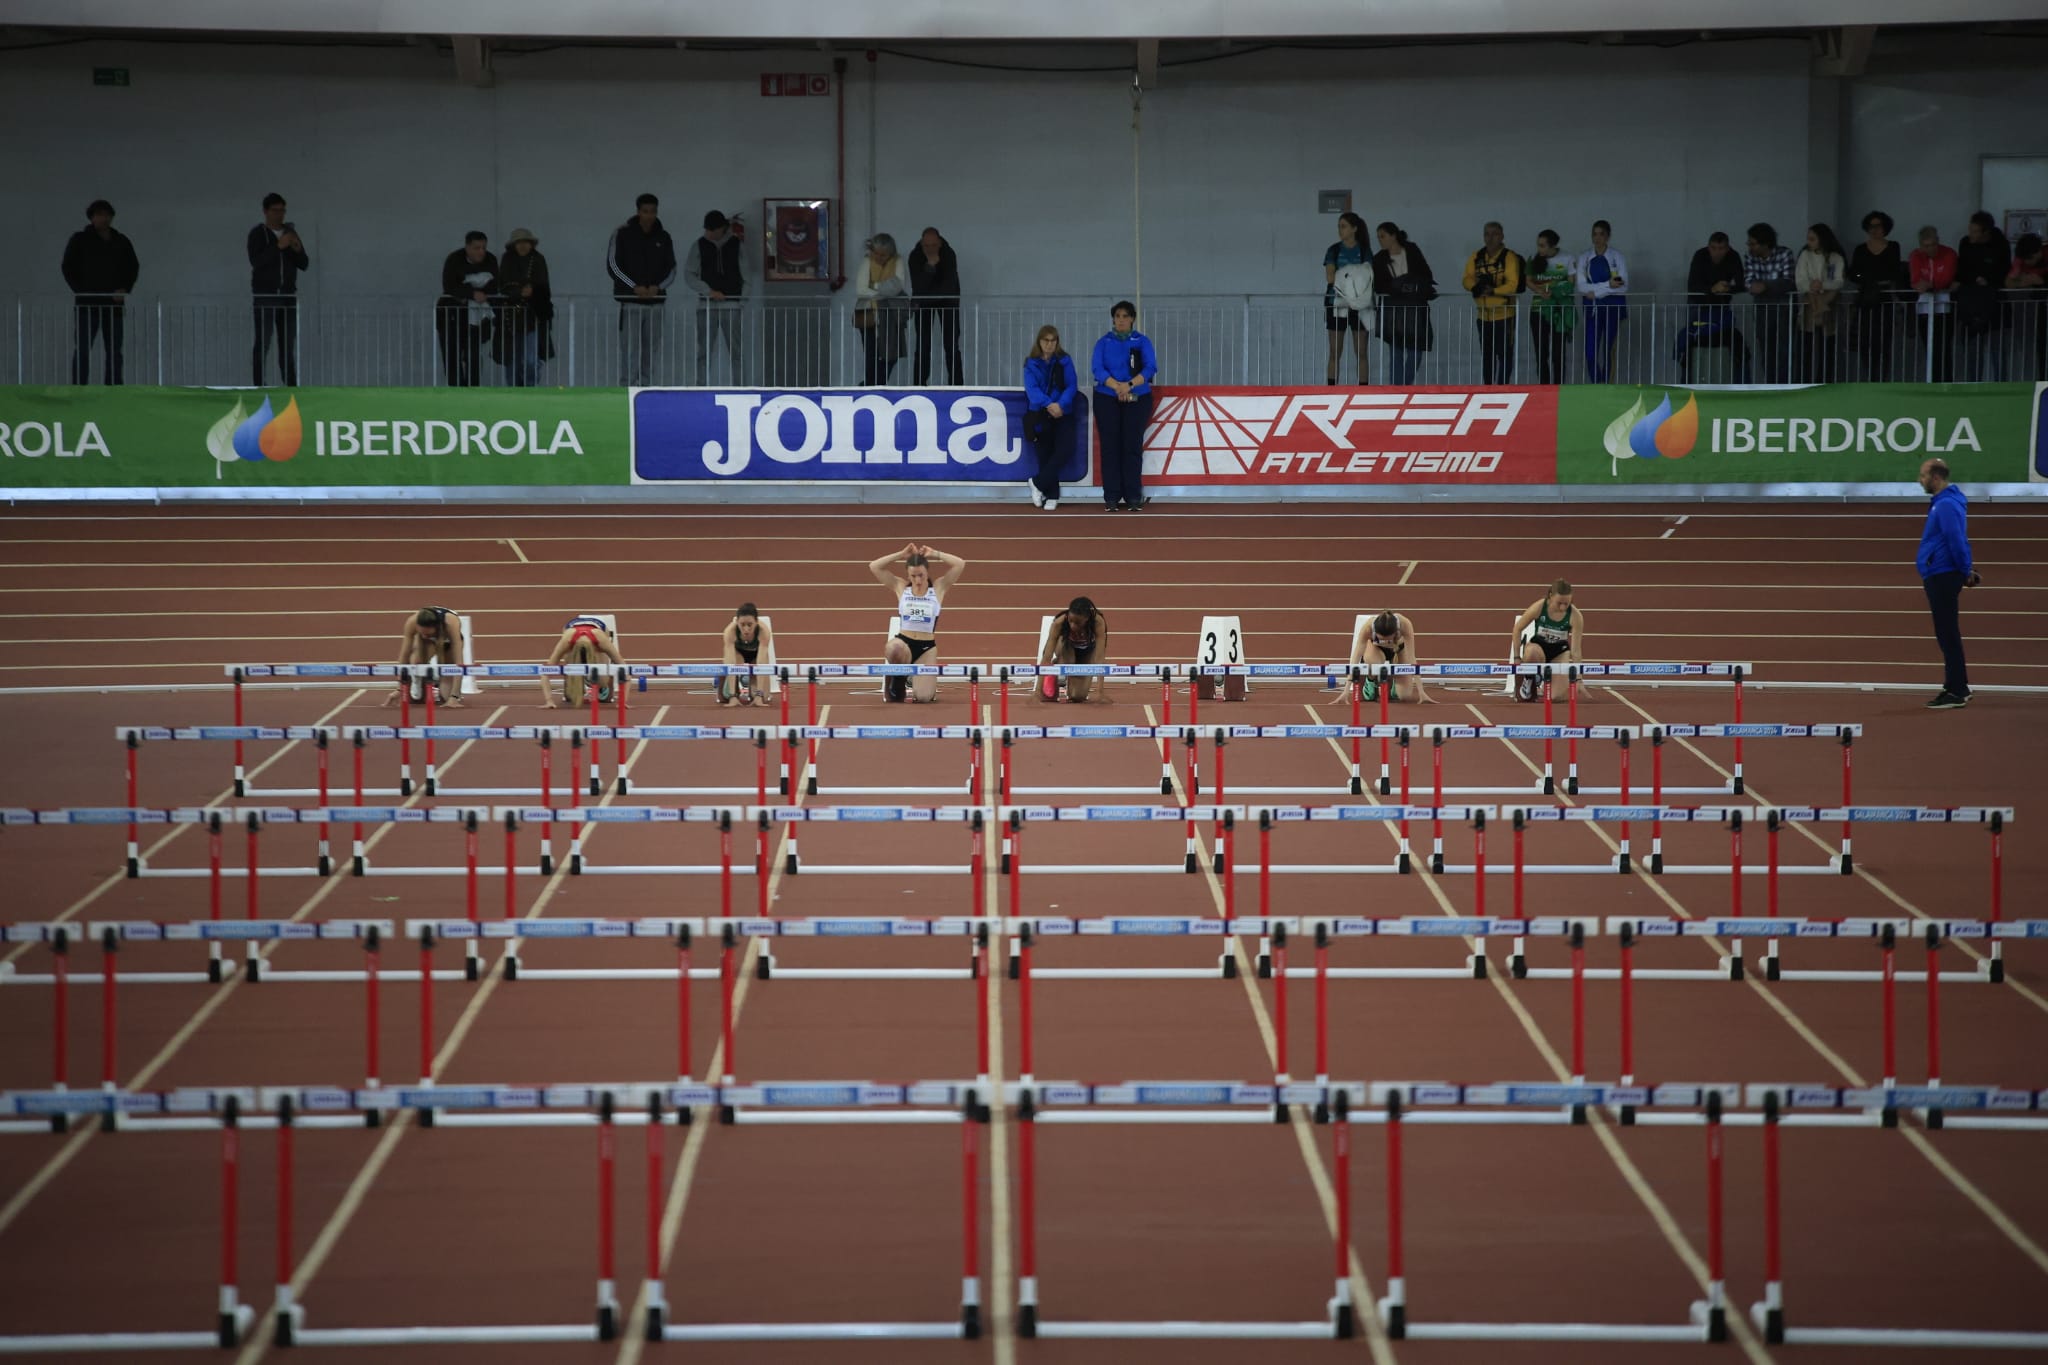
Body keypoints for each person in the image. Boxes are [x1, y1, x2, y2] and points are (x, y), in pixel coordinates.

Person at [869, 543, 967, 703]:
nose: (918, 580)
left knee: (923, 697)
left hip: (926, 648)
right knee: (894, 648)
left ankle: (910, 676)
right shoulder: (901, 586)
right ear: (908, 575)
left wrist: (934, 553)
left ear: (927, 572)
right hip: (904, 644)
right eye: (913, 576)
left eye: (921, 575)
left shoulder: (938, 588)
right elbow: (874, 566)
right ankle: (898, 678)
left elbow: (960, 564)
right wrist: (900, 554)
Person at [1917, 458, 1979, 710]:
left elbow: (1957, 540)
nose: (1919, 480)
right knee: (1947, 634)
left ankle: (1957, 690)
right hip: (1940, 572)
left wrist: (1966, 570)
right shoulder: (1943, 504)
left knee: (1948, 634)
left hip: (1943, 574)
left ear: (1936, 478)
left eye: (1923, 475)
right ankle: (1955, 684)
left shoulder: (1945, 506)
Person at [1089, 301, 1159, 512]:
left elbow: (1150, 367)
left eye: (1125, 316)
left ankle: (1133, 495)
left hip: (1137, 397)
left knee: (1132, 446)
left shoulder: (1142, 341)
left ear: (1132, 319)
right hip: (1106, 397)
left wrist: (1128, 385)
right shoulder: (1103, 342)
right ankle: (1111, 496)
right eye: (1117, 316)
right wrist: (1116, 387)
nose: (1121, 320)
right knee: (1110, 447)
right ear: (1113, 318)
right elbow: (1097, 368)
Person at [61, 199, 139, 386]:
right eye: (99, 215)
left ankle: (113, 387)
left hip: (114, 305)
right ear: (92, 218)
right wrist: (82, 291)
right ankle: (79, 387)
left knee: (114, 349)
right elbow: (68, 267)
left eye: (107, 215)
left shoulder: (121, 241)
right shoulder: (80, 240)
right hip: (87, 305)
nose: (104, 219)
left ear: (111, 217)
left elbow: (132, 267)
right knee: (83, 349)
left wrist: (125, 289)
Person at [609, 193, 677, 387]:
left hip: (655, 305)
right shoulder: (622, 234)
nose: (649, 216)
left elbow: (671, 269)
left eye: (653, 212)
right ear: (638, 212)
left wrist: (658, 288)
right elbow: (613, 265)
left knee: (651, 349)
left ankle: (646, 388)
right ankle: (627, 388)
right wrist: (633, 287)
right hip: (630, 303)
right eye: (645, 212)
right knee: (629, 349)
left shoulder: (664, 237)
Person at [249, 193, 309, 386]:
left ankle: (291, 386)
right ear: (266, 211)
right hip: (265, 295)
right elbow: (257, 262)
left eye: (282, 210)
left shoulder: (290, 233)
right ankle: (259, 385)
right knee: (263, 343)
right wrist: (278, 246)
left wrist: (296, 248)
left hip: (288, 296)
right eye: (275, 211)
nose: (279, 215)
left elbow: (304, 263)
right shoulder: (258, 234)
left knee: (287, 345)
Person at [685, 210, 749, 385]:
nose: (709, 234)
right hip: (706, 304)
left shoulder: (737, 245)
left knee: (736, 351)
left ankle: (740, 388)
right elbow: (689, 275)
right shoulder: (699, 245)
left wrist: (741, 301)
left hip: (732, 305)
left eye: (713, 230)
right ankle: (701, 387)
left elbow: (746, 276)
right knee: (703, 351)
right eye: (707, 230)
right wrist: (708, 291)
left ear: (722, 228)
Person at [1846, 210, 1909, 380]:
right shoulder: (1860, 249)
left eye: (1878, 226)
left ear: (1885, 228)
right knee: (1865, 342)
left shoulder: (1893, 246)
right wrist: (1869, 279)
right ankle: (1869, 376)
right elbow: (1853, 273)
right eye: (1871, 227)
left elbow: (1893, 271)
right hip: (1865, 300)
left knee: (1884, 343)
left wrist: (1870, 277)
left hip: (1884, 300)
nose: (1874, 230)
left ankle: (1882, 377)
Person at [1023, 324, 1080, 510]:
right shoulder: (1030, 363)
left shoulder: (1065, 360)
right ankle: (1052, 494)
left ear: (1057, 342)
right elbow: (1032, 390)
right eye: (1046, 340)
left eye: (1053, 341)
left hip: (1064, 412)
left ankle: (1037, 483)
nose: (1049, 344)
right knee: (1045, 453)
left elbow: (1072, 385)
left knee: (1065, 449)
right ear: (1039, 341)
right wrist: (1049, 404)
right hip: (1041, 413)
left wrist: (1060, 405)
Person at [1371, 222, 1435, 385]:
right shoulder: (1379, 259)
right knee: (1396, 350)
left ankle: (1404, 385)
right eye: (1378, 237)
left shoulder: (1411, 250)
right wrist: (1396, 286)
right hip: (1393, 307)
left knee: (1416, 350)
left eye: (1383, 236)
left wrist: (1411, 284)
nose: (1380, 240)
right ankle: (1397, 388)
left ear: (1393, 236)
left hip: (1414, 305)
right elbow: (1378, 285)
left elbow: (1426, 274)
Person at [1462, 221, 1523, 384]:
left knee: (1504, 354)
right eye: (1487, 234)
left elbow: (1513, 284)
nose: (1490, 238)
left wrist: (1493, 291)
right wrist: (1475, 287)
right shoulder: (1477, 256)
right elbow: (1466, 278)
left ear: (1502, 236)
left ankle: (1503, 388)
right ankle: (1488, 388)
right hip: (1483, 315)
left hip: (1505, 314)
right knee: (1487, 355)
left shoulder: (1509, 257)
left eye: (1494, 234)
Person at [436, 231, 497, 388]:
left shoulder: (491, 259)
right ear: (467, 247)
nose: (481, 251)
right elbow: (449, 286)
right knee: (452, 355)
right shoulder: (454, 260)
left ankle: (473, 392)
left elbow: (495, 284)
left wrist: (477, 292)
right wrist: (472, 293)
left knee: (473, 355)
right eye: (477, 248)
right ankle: (456, 392)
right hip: (452, 315)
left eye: (483, 247)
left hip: (476, 317)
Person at [1956, 211, 2011, 382]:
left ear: (1985, 232)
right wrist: (1974, 279)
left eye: (1975, 231)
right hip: (1972, 304)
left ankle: (2002, 387)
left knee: (1997, 349)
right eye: (1970, 230)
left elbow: (2003, 270)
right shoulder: (1965, 243)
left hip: (1994, 303)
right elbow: (1962, 270)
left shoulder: (2001, 244)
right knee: (1973, 350)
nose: (1970, 234)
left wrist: (1988, 280)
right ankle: (1974, 385)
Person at [494, 228, 552, 387]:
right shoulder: (507, 259)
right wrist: (520, 291)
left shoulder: (538, 259)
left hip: (533, 316)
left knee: (531, 360)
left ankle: (530, 390)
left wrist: (533, 291)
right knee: (512, 359)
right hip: (510, 317)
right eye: (519, 242)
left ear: (531, 244)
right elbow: (503, 285)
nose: (522, 246)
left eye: (525, 242)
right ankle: (513, 392)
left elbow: (544, 287)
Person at [1508, 580, 1583, 702]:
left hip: (1559, 652)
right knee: (1531, 652)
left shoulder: (1575, 616)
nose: (1563, 607)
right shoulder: (1539, 607)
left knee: (1557, 697)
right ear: (1550, 596)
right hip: (1539, 648)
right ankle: (1530, 678)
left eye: (1567, 603)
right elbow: (1517, 629)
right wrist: (1517, 657)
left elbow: (1576, 650)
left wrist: (1579, 679)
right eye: (1559, 603)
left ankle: (1545, 681)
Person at [908, 227, 964, 386]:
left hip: (948, 302)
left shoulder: (948, 254)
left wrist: (929, 292)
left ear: (939, 243)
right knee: (922, 345)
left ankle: (957, 385)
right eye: (926, 246)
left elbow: (949, 285)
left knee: (951, 345)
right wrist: (930, 266)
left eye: (933, 245)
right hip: (923, 303)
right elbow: (918, 285)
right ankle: (919, 384)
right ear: (921, 243)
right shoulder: (915, 256)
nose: (930, 249)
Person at [854, 234, 912, 386]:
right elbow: (860, 290)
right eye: (876, 254)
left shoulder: (897, 261)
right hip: (868, 313)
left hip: (891, 313)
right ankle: (871, 385)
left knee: (892, 352)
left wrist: (874, 286)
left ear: (891, 253)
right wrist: (884, 292)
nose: (879, 257)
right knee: (871, 352)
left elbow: (898, 287)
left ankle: (876, 382)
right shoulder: (867, 261)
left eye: (883, 255)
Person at [1574, 220, 1627, 383]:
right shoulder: (1584, 257)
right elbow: (1582, 286)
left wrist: (1595, 291)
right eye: (1594, 234)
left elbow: (1622, 285)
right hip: (1592, 309)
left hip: (1613, 308)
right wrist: (1607, 285)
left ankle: (1607, 386)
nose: (1597, 238)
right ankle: (1597, 384)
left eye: (1601, 234)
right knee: (1590, 352)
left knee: (1609, 350)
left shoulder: (1616, 257)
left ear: (1608, 236)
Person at [1744, 223, 1798, 384]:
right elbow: (1749, 283)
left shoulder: (1784, 254)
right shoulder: (1749, 257)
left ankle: (1786, 385)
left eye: (1753, 243)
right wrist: (1769, 286)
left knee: (1785, 350)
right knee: (1766, 350)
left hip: (1784, 309)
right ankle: (1771, 385)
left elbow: (1788, 281)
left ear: (1765, 244)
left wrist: (1765, 286)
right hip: (1762, 309)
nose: (1749, 246)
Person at [383, 606, 466, 709]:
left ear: (436, 627)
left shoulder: (451, 623)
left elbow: (459, 664)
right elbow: (404, 656)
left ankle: (438, 684)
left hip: (448, 643)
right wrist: (399, 689)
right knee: (415, 664)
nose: (425, 636)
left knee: (446, 697)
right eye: (421, 633)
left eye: (428, 633)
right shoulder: (412, 622)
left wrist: (454, 696)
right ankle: (421, 680)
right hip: (426, 644)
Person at [1323, 211, 1371, 385]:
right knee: (1335, 351)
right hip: (1337, 303)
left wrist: (1344, 277)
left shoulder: (1364, 250)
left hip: (1360, 305)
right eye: (1339, 226)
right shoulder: (1333, 250)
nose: (1340, 230)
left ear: (1354, 229)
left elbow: (1367, 277)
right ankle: (1331, 389)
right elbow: (1330, 277)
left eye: (1343, 226)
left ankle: (1363, 390)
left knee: (1362, 351)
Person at [1795, 224, 1847, 383]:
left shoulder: (1836, 257)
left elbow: (1839, 281)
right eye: (1808, 239)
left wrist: (1822, 285)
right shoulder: (1805, 254)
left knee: (1828, 344)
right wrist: (1811, 286)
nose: (1809, 242)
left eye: (1813, 239)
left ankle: (1825, 379)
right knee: (1807, 344)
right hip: (1809, 302)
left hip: (1830, 302)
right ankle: (1805, 380)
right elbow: (1800, 279)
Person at [1348, 610, 1433, 705]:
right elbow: (1355, 657)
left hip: (1398, 649)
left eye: (1388, 639)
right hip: (1375, 649)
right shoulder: (1368, 627)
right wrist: (1346, 690)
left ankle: (1393, 682)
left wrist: (1421, 691)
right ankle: (1371, 680)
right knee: (1374, 663)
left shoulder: (1404, 624)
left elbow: (1412, 658)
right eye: (1381, 639)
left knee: (1404, 696)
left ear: (1396, 632)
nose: (1385, 642)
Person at [540, 615, 625, 709]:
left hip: (599, 632)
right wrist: (549, 701)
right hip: (571, 632)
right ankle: (570, 682)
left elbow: (625, 669)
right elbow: (545, 672)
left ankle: (608, 682)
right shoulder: (566, 641)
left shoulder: (601, 641)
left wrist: (623, 701)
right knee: (571, 696)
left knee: (603, 687)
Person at [1038, 597, 1110, 703]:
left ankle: (1072, 683)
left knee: (1078, 697)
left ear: (1087, 619)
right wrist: (1037, 692)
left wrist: (1100, 692)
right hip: (1066, 647)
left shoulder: (1098, 623)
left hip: (1087, 652)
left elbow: (1099, 658)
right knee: (1067, 660)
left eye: (1077, 623)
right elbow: (1046, 656)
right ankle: (1056, 666)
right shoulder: (1059, 623)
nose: (1072, 625)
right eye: (1070, 620)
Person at [1910, 225, 1958, 383]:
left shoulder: (1949, 254)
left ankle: (1946, 382)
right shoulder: (1916, 256)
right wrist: (1932, 285)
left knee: (1943, 348)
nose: (1930, 249)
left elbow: (1946, 278)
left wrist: (1930, 285)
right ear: (1920, 245)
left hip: (1944, 308)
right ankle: (1933, 382)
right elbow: (1916, 280)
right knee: (1929, 348)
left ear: (1938, 241)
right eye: (1926, 246)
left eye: (1932, 245)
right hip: (1924, 308)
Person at [1526, 230, 1574, 384]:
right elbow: (1528, 281)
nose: (1540, 249)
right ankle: (1544, 388)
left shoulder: (1567, 258)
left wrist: (1555, 292)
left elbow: (1571, 282)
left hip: (1558, 311)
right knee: (1541, 352)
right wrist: (1540, 291)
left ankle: (1559, 388)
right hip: (1538, 311)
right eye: (1538, 245)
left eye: (1543, 246)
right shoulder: (1534, 259)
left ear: (1552, 245)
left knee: (1558, 353)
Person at [2008, 233, 2048, 382]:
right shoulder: (2020, 258)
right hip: (2038, 311)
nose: (2026, 263)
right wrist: (2022, 283)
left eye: (2029, 259)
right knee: (2040, 348)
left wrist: (2041, 282)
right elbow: (2009, 282)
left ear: (2038, 253)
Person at [719, 603, 773, 707]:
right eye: (742, 624)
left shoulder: (763, 632)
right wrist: (732, 696)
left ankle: (751, 684)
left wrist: (759, 695)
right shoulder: (730, 632)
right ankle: (729, 685)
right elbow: (730, 663)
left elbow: (761, 663)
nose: (746, 629)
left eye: (750, 624)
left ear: (756, 622)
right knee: (725, 697)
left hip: (755, 657)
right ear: (736, 622)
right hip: (737, 655)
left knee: (764, 697)